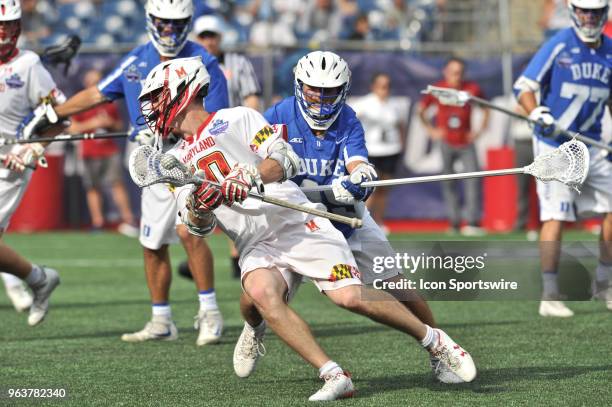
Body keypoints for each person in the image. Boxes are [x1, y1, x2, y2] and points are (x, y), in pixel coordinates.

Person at [138, 55, 476, 400]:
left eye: (155, 99)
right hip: (256, 240)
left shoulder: (235, 118)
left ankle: (437, 342)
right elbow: (197, 227)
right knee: (256, 298)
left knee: (351, 296)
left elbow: (283, 158)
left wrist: (251, 175)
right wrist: (201, 204)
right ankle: (332, 373)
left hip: (301, 222)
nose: (151, 110)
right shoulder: (175, 163)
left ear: (183, 91)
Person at [234, 51, 470, 385]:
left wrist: (360, 178)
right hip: (292, 219)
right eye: (314, 89)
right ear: (301, 86)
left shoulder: (347, 118)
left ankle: (438, 349)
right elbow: (259, 159)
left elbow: (357, 162)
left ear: (343, 90)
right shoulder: (278, 114)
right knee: (253, 300)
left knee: (396, 285)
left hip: (343, 214)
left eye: (330, 91)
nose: (321, 97)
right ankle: (254, 329)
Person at [19, 0, 229, 344]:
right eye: (163, 23)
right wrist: (53, 114)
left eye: (176, 25)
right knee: (151, 241)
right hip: (153, 162)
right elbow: (98, 93)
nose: (169, 31)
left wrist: (168, 130)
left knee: (190, 233)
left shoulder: (203, 61)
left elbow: (216, 120)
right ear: (150, 21)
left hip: (189, 157)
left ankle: (210, 313)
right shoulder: (137, 59)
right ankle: (161, 319)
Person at [514, 0, 612, 317]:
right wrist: (537, 111)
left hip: (593, 145)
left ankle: (604, 281)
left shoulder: (609, 49)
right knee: (555, 216)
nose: (589, 16)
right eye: (584, 10)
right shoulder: (558, 44)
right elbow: (524, 87)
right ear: (573, 11)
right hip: (554, 145)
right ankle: (550, 293)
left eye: (595, 11)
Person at [179, 13, 261, 279]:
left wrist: (242, 131)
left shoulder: (237, 62)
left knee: (237, 191)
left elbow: (251, 99)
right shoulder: (189, 65)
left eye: (212, 36)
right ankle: (205, 255)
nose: (208, 41)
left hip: (232, 132)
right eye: (203, 36)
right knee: (206, 195)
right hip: (203, 139)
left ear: (220, 37)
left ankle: (241, 255)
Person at [0, 0, 60, 326]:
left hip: (9, 165)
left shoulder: (28, 65)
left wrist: (34, 148)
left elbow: (57, 117)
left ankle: (36, 279)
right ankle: (38, 279)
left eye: (8, 24)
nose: (2, 31)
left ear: (18, 27)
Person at [418, 57, 490, 236]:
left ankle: (473, 221)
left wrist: (479, 132)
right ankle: (455, 222)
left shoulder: (471, 88)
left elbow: (486, 108)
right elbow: (421, 109)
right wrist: (431, 130)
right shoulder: (438, 89)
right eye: (453, 72)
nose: (456, 76)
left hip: (466, 141)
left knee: (473, 179)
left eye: (459, 73)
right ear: (446, 72)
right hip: (446, 141)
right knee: (449, 182)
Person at [68, 68, 138, 236]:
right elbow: (72, 128)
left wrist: (109, 123)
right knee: (92, 188)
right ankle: (97, 222)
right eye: (91, 82)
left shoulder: (109, 102)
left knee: (117, 184)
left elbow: (119, 126)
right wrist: (92, 123)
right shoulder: (79, 102)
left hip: (108, 150)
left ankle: (128, 219)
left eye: (97, 81)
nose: (94, 85)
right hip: (89, 151)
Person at [351, 72, 407, 230]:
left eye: (387, 85)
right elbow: (352, 122)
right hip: (372, 151)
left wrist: (402, 145)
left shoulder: (395, 105)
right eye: (381, 85)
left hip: (391, 150)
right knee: (370, 189)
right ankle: (363, 221)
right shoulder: (364, 103)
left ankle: (379, 221)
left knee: (384, 189)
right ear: (374, 86)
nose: (385, 89)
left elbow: (401, 125)